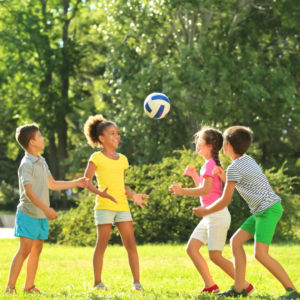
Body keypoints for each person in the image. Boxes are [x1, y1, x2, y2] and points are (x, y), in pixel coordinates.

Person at [195, 126, 300, 299]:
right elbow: (239, 181)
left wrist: (205, 210)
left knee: (260, 254)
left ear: (227, 145)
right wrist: (224, 176)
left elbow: (225, 200)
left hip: (268, 210)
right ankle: (239, 289)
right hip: (261, 210)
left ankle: (292, 291)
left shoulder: (234, 168)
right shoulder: (246, 160)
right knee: (236, 241)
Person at [5, 123, 89, 295]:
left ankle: (29, 286)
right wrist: (46, 208)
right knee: (25, 250)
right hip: (28, 213)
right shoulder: (26, 164)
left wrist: (76, 183)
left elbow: (52, 184)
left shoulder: (41, 161)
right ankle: (10, 287)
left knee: (37, 249)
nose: (43, 138)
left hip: (41, 214)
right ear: (32, 142)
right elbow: (28, 192)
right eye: (40, 135)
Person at [168, 127, 253, 295]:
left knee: (215, 256)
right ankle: (210, 285)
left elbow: (205, 191)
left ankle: (245, 285)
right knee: (192, 248)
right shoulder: (208, 165)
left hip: (217, 215)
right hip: (210, 215)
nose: (196, 142)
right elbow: (208, 188)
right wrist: (194, 176)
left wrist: (183, 190)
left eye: (199, 139)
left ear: (209, 146)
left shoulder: (210, 165)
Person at [83, 114, 149, 292]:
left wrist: (133, 195)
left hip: (122, 206)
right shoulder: (96, 158)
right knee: (102, 244)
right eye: (112, 133)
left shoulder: (123, 159)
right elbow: (86, 182)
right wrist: (100, 193)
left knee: (131, 244)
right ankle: (98, 283)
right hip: (104, 206)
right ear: (102, 138)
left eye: (118, 133)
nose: (116, 136)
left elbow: (122, 185)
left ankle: (137, 283)